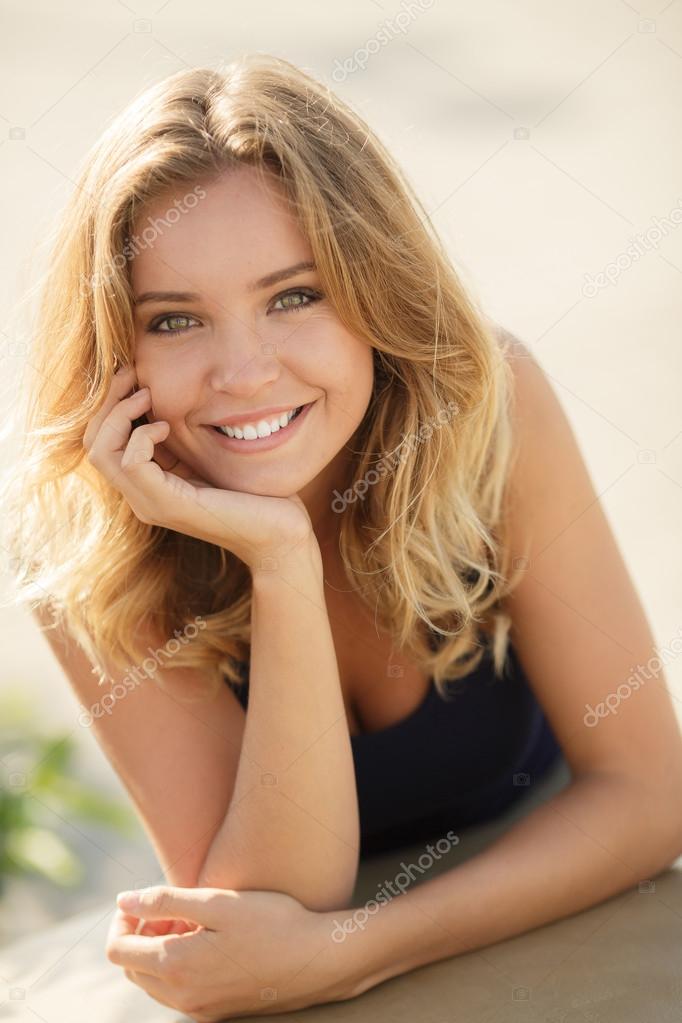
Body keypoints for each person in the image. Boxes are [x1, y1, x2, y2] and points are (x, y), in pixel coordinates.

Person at [3, 53, 681, 1019]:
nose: (243, 372)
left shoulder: (487, 404)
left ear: (376, 289)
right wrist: (280, 559)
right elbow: (259, 914)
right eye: (176, 319)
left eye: (295, 295)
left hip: (550, 903)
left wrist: (359, 951)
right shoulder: (82, 533)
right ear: (117, 350)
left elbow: (647, 799)